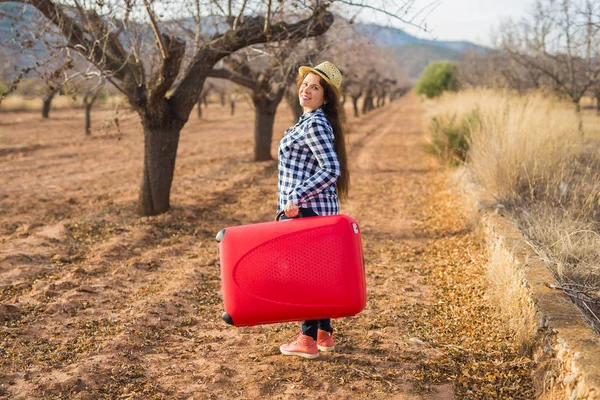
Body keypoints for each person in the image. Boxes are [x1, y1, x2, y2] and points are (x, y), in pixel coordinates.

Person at [277, 61, 350, 359]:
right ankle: (324, 334)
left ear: (325, 96)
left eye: (315, 87)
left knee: (305, 275)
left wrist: (295, 196)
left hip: (306, 211)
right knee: (318, 273)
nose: (306, 90)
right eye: (305, 84)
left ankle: (306, 340)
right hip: (315, 211)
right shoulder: (309, 122)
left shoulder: (315, 123)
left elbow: (331, 169)